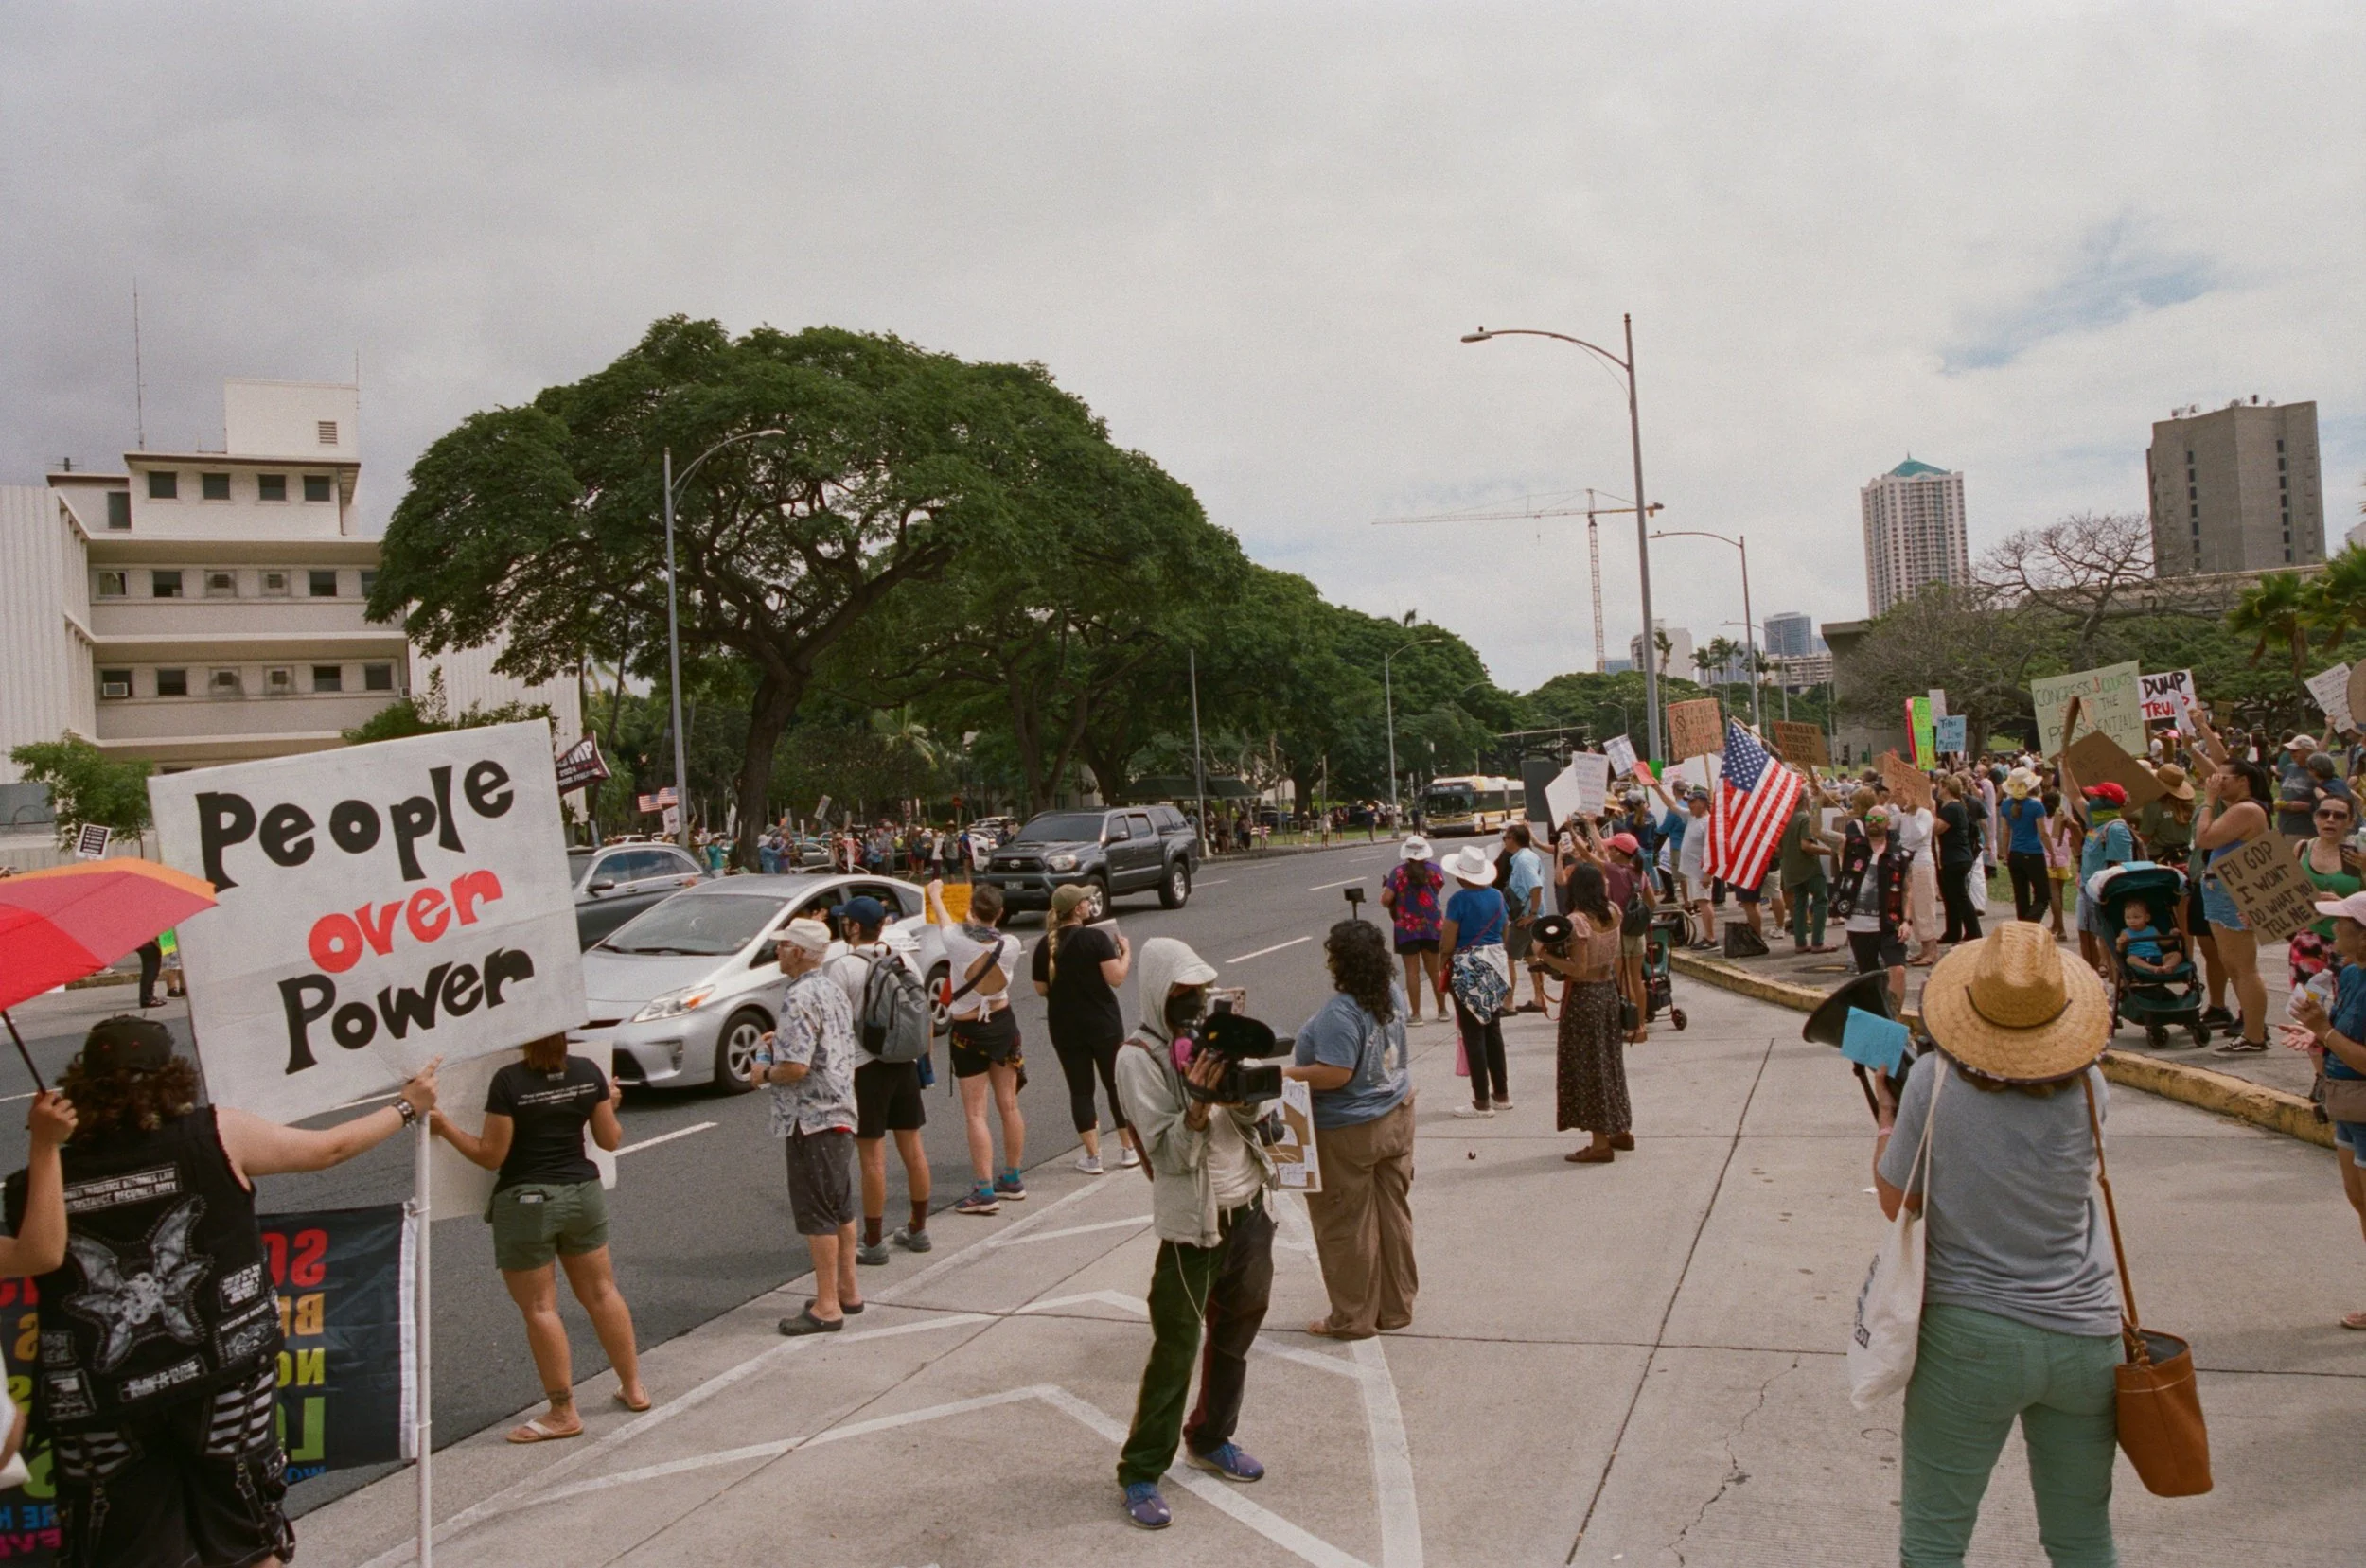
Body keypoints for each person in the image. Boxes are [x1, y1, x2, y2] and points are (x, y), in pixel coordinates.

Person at [8, 1016, 436, 1568]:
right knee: (249, 1539)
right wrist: (406, 1106)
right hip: (224, 1373)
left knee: (124, 1550)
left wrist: (46, 1148)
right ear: (173, 1075)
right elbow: (328, 1150)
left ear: (82, 1082)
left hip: (103, 1397)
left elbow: (35, 1253)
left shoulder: (39, 1181)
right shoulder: (218, 1133)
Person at [1871, 924, 2123, 1566]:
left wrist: (1886, 1118)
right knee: (2083, 1540)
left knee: (1934, 1540)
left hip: (1970, 1334)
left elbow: (1898, 1200)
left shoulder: (1932, 1080)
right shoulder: (2090, 1086)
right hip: (2087, 1336)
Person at [1112, 938, 1277, 1529]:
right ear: (1158, 991)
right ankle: (1140, 1469)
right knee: (1177, 1348)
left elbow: (1254, 1116)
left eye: (1200, 992)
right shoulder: (1138, 1059)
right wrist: (1199, 1106)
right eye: (1182, 993)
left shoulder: (1210, 1042)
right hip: (1193, 1225)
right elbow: (1171, 1155)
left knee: (1234, 1335)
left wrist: (1241, 1092)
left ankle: (1211, 1438)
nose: (1193, 1003)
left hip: (1248, 1206)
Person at [430, 1032, 650, 1439]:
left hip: (528, 1201)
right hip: (583, 1194)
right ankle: (633, 1387)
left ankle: (563, 1412)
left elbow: (490, 1155)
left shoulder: (509, 1081)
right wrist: (611, 1104)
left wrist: (444, 1127)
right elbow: (609, 1139)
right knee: (603, 1292)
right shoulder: (588, 1072)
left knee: (540, 1308)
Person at [1286, 920, 1416, 1339]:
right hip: (1395, 1114)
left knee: (1345, 1225)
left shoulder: (1341, 1013)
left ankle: (1353, 1317)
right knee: (1392, 1216)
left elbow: (1336, 1074)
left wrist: (1286, 1075)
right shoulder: (1390, 994)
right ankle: (1395, 1308)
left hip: (1349, 1130)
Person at [754, 917, 865, 1335]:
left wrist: (763, 1074)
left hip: (811, 1117)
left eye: (783, 946)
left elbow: (796, 1067)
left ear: (799, 952)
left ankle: (827, 1305)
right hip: (840, 1108)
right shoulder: (829, 989)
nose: (778, 951)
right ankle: (847, 1289)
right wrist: (779, 1039)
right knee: (839, 1204)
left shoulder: (799, 996)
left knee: (817, 1212)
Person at [823, 897, 934, 1261]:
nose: (841, 926)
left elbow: (835, 1026)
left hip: (864, 1067)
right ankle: (918, 1228)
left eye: (844, 921)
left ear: (854, 927)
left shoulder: (843, 967)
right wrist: (922, 1061)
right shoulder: (902, 960)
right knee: (913, 1149)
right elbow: (923, 1015)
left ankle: (873, 1242)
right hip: (903, 1062)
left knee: (873, 1159)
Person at [2283, 890, 2366, 1330]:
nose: (2333, 931)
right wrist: (2313, 1034)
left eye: (2342, 924)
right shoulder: (2351, 976)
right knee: (2359, 1202)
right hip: (2347, 1103)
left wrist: (2324, 1032)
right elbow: (2337, 1031)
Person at [926, 879, 1027, 1210]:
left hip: (969, 1030)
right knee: (1008, 1105)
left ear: (971, 911)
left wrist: (936, 895)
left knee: (975, 1113)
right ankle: (1012, 1177)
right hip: (1002, 1022)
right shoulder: (1011, 944)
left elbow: (943, 917)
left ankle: (984, 1190)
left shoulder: (955, 940)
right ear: (1000, 913)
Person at [1033, 883, 1137, 1175]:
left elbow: (1040, 988)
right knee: (1115, 1086)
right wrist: (1125, 952)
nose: (1090, 903)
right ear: (1077, 909)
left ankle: (1093, 1157)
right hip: (1103, 1023)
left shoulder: (1045, 945)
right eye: (1086, 900)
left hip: (1065, 1026)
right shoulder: (1097, 938)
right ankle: (1129, 1149)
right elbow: (1116, 978)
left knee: (1081, 1090)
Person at [1535, 862, 1633, 1164]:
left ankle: (1599, 1143)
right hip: (1607, 992)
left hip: (1585, 996)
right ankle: (1619, 1128)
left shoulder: (1578, 921)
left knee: (1588, 1067)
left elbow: (1578, 967)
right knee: (1609, 1062)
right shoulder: (1614, 911)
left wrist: (1546, 954)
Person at [2194, 752, 2276, 1055]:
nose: (2215, 783)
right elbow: (2213, 772)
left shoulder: (2247, 810)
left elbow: (2204, 837)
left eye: (2223, 780)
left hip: (2232, 891)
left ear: (2243, 782)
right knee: (2231, 963)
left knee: (2243, 966)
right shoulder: (2239, 805)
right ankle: (2251, 1030)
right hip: (2219, 888)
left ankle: (2255, 1034)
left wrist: (2208, 801)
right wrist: (2192, 745)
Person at [1438, 844, 1512, 1117]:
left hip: (1467, 967)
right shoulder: (1496, 896)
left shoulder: (1458, 901)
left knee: (1473, 1033)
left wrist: (1442, 963)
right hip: (1494, 963)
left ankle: (1481, 1100)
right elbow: (1505, 930)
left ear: (1462, 875)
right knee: (1493, 1029)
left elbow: (1448, 940)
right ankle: (1501, 1093)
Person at [1834, 806, 1912, 1011]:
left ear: (1888, 823)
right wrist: (1815, 801)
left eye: (1879, 818)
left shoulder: (1899, 854)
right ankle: (1877, 1017)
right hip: (1860, 925)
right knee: (1868, 977)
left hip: (1890, 923)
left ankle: (1895, 1016)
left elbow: (1906, 890)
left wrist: (1907, 921)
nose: (1873, 822)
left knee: (1898, 970)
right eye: (1869, 817)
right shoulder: (1851, 846)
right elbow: (1816, 832)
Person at [2287, 793, 2362, 992]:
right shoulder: (2303, 848)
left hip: (2351, 944)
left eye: (2339, 816)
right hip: (2309, 937)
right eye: (2324, 814)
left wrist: (2343, 905)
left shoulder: (2359, 854)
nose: (2330, 820)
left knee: (2348, 1008)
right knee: (2304, 1005)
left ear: (2350, 822)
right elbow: (2285, 891)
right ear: (2315, 818)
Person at [1380, 836, 1447, 1025]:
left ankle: (1416, 1015)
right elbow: (1437, 890)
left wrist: (1385, 889)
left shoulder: (1398, 873)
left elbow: (1386, 900)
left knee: (1412, 972)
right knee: (1435, 970)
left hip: (1406, 928)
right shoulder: (1434, 871)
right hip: (1432, 925)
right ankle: (1442, 1010)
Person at [1499, 822, 1550, 1014]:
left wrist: (1532, 914)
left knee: (1508, 958)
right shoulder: (1525, 857)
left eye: (1506, 837)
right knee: (1531, 957)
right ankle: (1539, 999)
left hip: (1524, 919)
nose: (1504, 841)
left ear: (1514, 839)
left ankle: (1508, 1003)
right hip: (1530, 917)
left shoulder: (1523, 860)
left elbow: (1535, 886)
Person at [1776, 795, 1837, 954]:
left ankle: (1800, 942)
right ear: (1804, 800)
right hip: (1808, 868)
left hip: (1790, 869)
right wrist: (1830, 851)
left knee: (1799, 904)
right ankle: (1817, 942)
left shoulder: (1783, 819)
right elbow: (1806, 846)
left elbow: (1777, 849)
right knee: (1821, 900)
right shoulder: (1804, 818)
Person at [1933, 776, 1986, 946]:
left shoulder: (1952, 808)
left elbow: (1937, 828)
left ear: (1946, 787)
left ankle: (1973, 932)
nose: (1937, 789)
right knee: (1950, 896)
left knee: (1959, 896)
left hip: (1956, 857)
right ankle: (1953, 931)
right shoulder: (1952, 806)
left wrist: (1930, 810)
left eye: (1940, 786)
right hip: (1953, 856)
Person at [1895, 791, 1942, 965]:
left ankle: (1932, 949)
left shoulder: (1925, 814)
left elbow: (1917, 835)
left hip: (1922, 863)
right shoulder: (1904, 815)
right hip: (1907, 862)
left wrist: (1914, 813)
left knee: (1924, 905)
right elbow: (1890, 824)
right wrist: (1891, 803)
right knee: (1912, 907)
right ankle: (1924, 948)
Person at [1998, 769, 2050, 924]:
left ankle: (2022, 924)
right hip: (2033, 852)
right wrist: (2052, 853)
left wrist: (2005, 853)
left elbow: (2005, 832)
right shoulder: (2036, 806)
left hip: (2015, 853)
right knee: (2043, 895)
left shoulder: (2005, 806)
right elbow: (2043, 833)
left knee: (2021, 895)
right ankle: (2030, 923)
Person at [2113, 899, 2187, 983]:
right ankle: (2152, 968)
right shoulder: (2125, 932)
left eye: (2136, 917)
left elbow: (2163, 943)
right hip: (2139, 959)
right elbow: (2120, 950)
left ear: (2147, 918)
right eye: (2128, 918)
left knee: (2177, 955)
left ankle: (2166, 967)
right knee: (2130, 959)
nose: (2132, 921)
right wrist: (2120, 943)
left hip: (2157, 957)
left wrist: (2172, 935)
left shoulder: (2152, 930)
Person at [2041, 788, 2077, 941]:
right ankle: (2056, 924)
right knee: (2059, 894)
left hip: (2048, 858)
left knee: (2053, 895)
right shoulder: (2063, 817)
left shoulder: (2041, 818)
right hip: (2063, 859)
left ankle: (2061, 929)